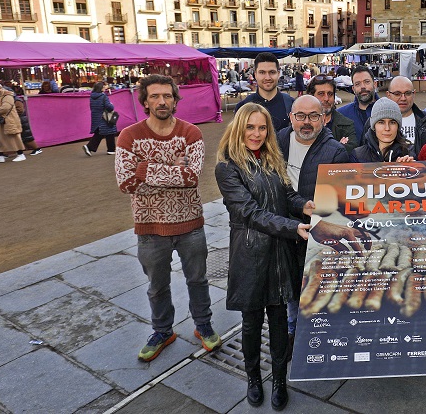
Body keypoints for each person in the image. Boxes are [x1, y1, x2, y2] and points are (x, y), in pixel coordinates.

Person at [115, 74, 220, 362]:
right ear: (145, 101)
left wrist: (144, 168)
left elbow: (190, 177)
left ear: (175, 99)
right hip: (150, 226)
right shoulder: (129, 135)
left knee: (197, 279)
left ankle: (203, 325)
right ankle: (162, 330)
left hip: (190, 224)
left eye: (167, 96)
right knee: (157, 285)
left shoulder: (191, 133)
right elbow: (125, 183)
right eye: (154, 96)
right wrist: (167, 167)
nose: (162, 101)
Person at [215, 103, 312, 410]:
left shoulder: (271, 158)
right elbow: (249, 213)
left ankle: (279, 380)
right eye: (250, 127)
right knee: (252, 321)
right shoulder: (227, 167)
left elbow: (286, 195)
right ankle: (254, 378)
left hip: (278, 250)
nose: (256, 134)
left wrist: (304, 206)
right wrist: (293, 226)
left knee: (280, 319)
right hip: (251, 253)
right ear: (239, 128)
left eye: (262, 128)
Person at [276, 95, 349, 348]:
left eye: (314, 116)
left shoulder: (335, 152)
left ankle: (312, 337)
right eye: (300, 116)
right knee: (288, 288)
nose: (306, 123)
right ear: (291, 118)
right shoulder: (277, 141)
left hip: (315, 234)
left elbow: (337, 203)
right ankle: (292, 332)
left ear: (324, 119)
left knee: (312, 285)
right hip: (281, 227)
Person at [234, 53, 295, 132]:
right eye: (262, 72)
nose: (267, 77)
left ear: (278, 74)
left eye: (272, 72)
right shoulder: (242, 107)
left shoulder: (292, 105)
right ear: (255, 75)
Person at [385, 76, 426, 155]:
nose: (403, 98)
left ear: (414, 94)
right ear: (388, 95)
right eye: (397, 94)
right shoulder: (375, 123)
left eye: (408, 93)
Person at [351, 98, 414, 163]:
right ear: (374, 126)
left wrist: (407, 169)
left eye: (392, 122)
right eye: (381, 122)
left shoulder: (409, 152)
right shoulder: (358, 155)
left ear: (398, 126)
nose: (387, 128)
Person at [306, 74, 357, 153]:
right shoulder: (301, 122)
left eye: (330, 94)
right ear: (311, 96)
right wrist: (337, 146)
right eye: (321, 94)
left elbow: (350, 153)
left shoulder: (346, 125)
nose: (326, 98)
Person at [337, 65, 379, 143]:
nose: (362, 87)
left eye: (367, 82)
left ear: (375, 84)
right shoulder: (341, 115)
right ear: (353, 89)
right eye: (357, 84)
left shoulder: (387, 111)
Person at [0, 82, 25, 163]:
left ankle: (20, 154)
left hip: (9, 120)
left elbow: (6, 107)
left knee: (13, 137)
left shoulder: (7, 96)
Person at [82, 81, 118, 156]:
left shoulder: (92, 96)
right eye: (104, 86)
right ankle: (111, 149)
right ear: (101, 88)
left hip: (96, 117)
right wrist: (111, 105)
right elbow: (110, 108)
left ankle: (90, 147)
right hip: (104, 117)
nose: (105, 88)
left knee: (99, 133)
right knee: (110, 132)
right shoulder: (103, 96)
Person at [12, 89, 42, 156]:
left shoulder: (16, 100)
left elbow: (20, 110)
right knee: (25, 137)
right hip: (20, 120)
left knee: (27, 137)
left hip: (21, 120)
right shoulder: (15, 99)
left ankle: (37, 148)